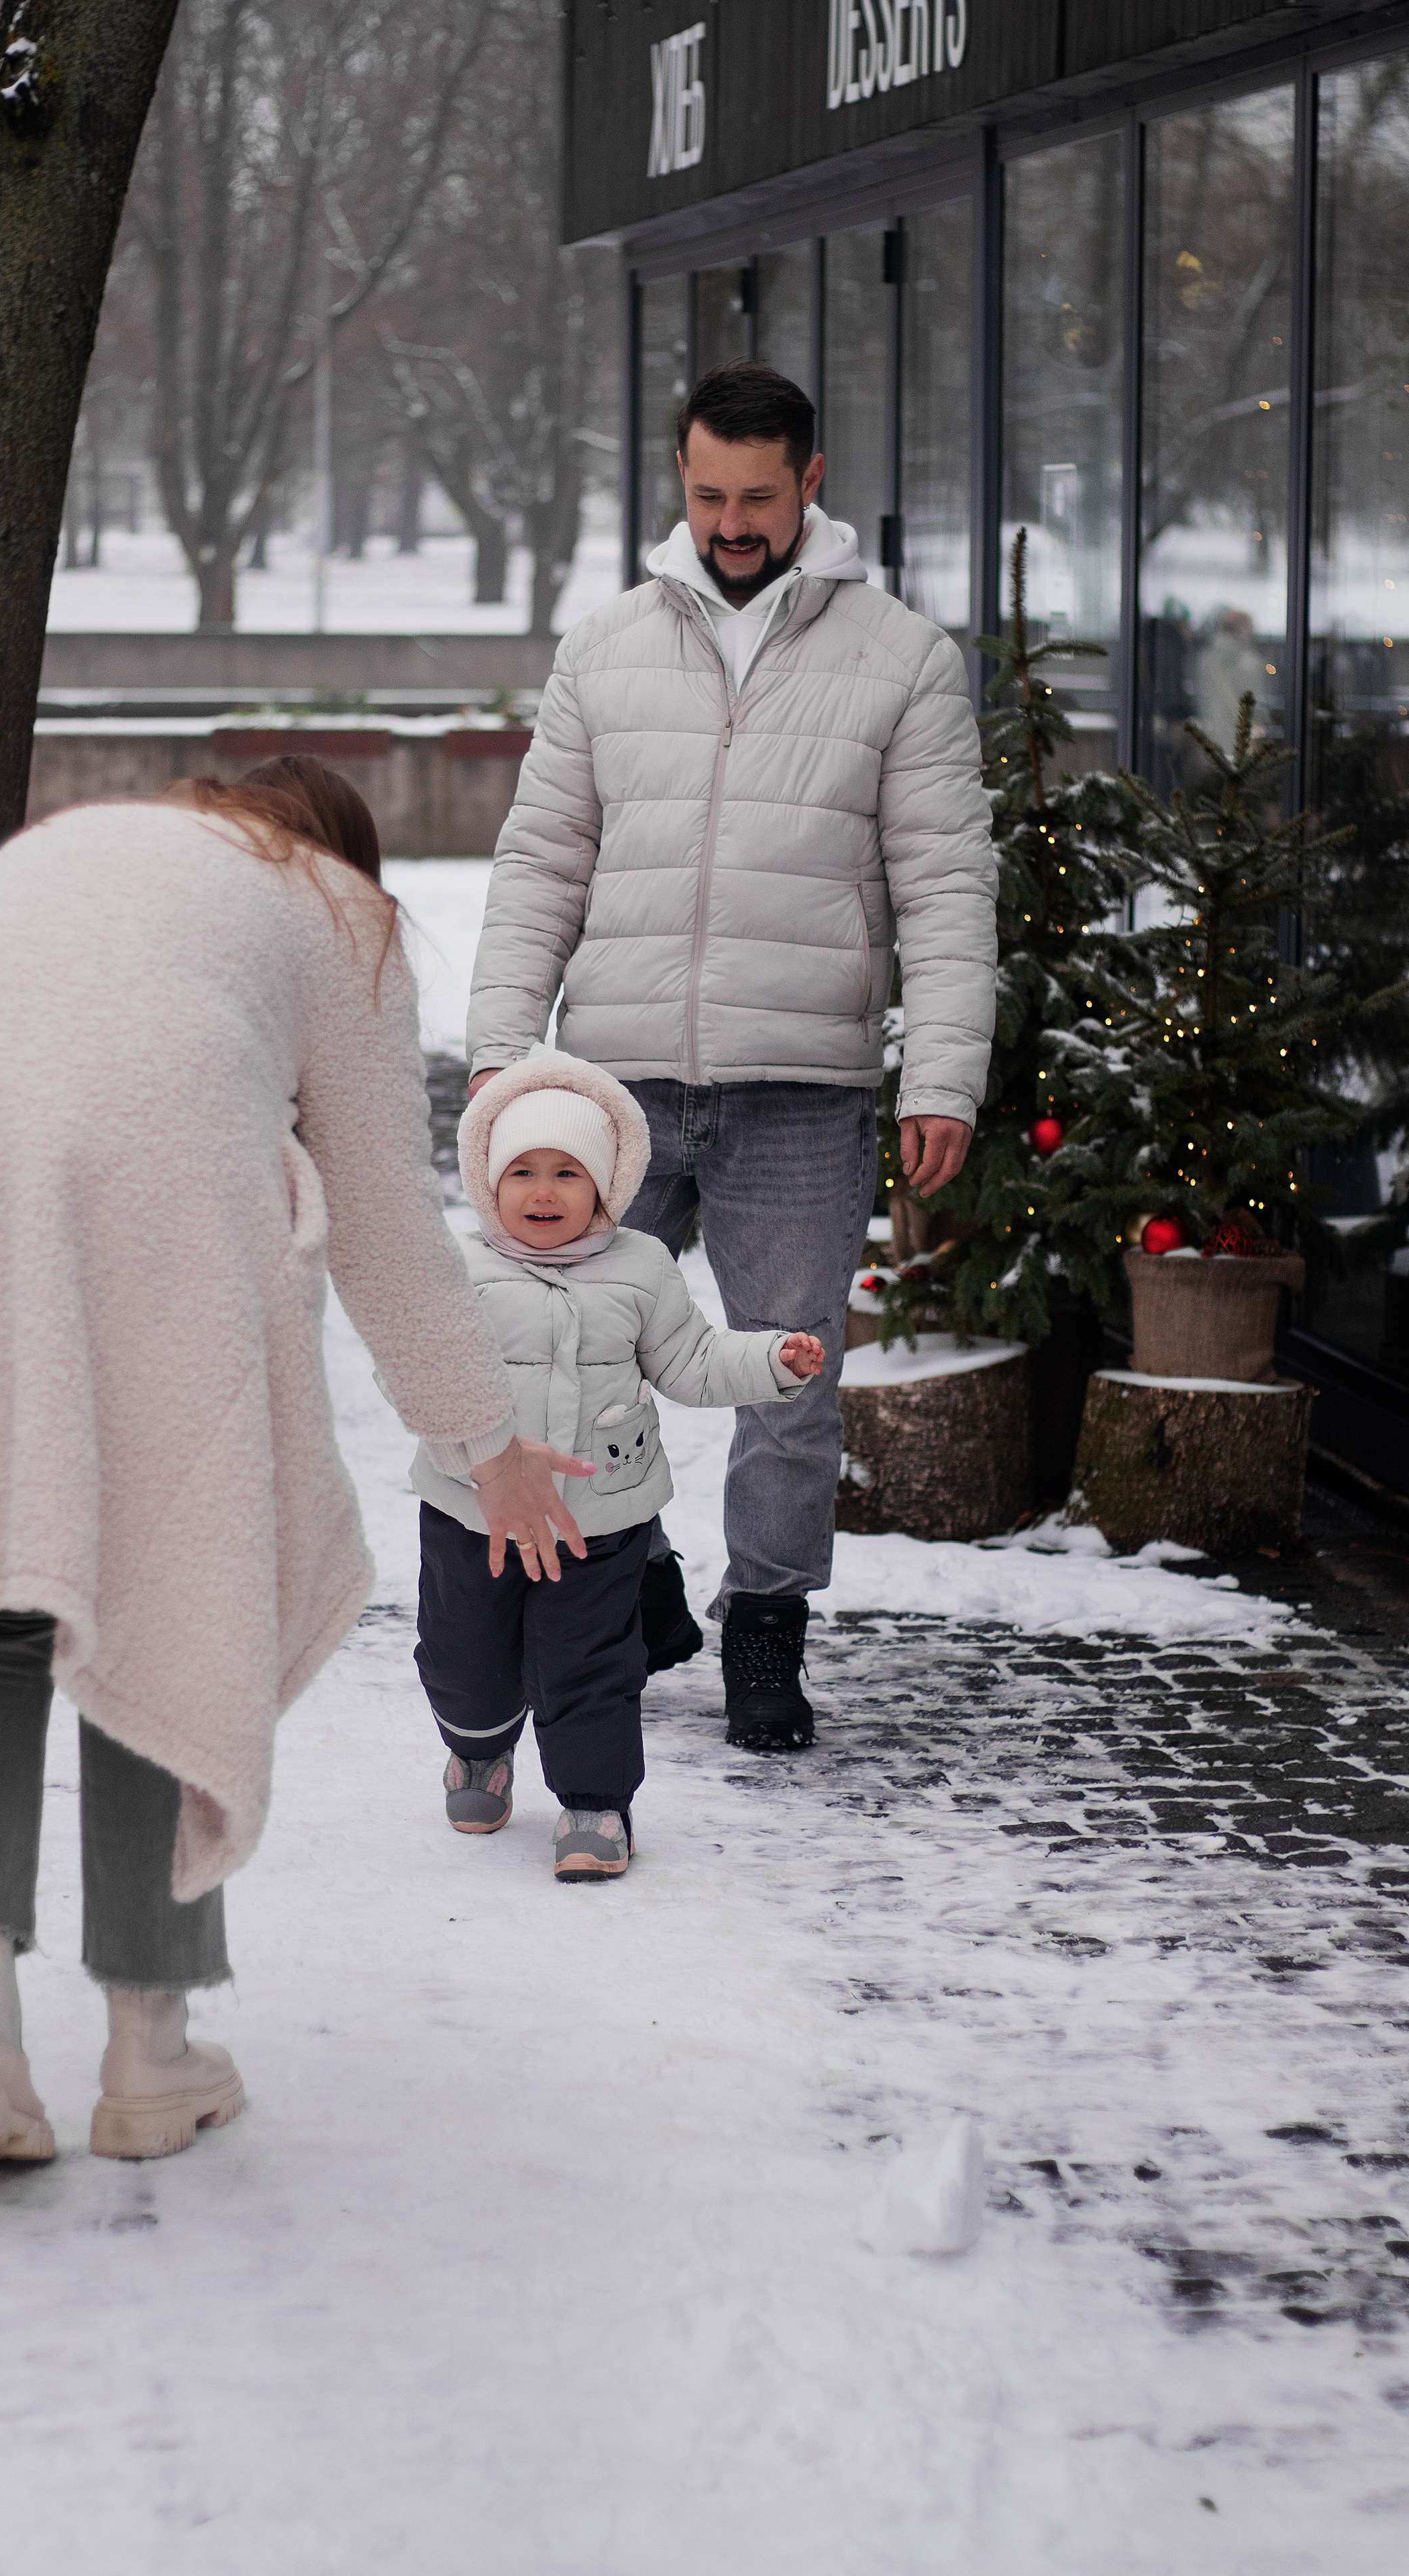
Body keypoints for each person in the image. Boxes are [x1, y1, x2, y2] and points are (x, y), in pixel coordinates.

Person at [0, 755, 590, 2165]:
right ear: (345, 858)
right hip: (130, 1176)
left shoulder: (80, 843)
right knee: (159, 1579)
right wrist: (488, 1446)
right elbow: (380, 1227)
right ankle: (146, 2047)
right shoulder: (336, 913)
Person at [467, 360, 996, 1752]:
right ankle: (631, 1576)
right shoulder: (605, 649)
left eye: (757, 495)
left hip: (800, 1089)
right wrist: (500, 1052)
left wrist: (940, 1074)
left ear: (809, 481)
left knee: (787, 1375)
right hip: (617, 1087)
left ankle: (766, 1629)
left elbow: (944, 884)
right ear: (680, 483)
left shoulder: (900, 659)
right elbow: (541, 862)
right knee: (571, 1354)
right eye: (707, 494)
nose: (731, 520)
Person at [409, 1050, 825, 1882]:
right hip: (473, 1512)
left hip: (599, 1520)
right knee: (465, 1662)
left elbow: (692, 1361)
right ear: (490, 1181)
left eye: (568, 1173)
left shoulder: (640, 1266)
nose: (542, 1192)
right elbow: (416, 1374)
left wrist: (772, 1361)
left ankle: (595, 1802)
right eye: (521, 1171)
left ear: (606, 1185)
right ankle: (479, 1750)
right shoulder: (455, 1269)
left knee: (591, 1666)